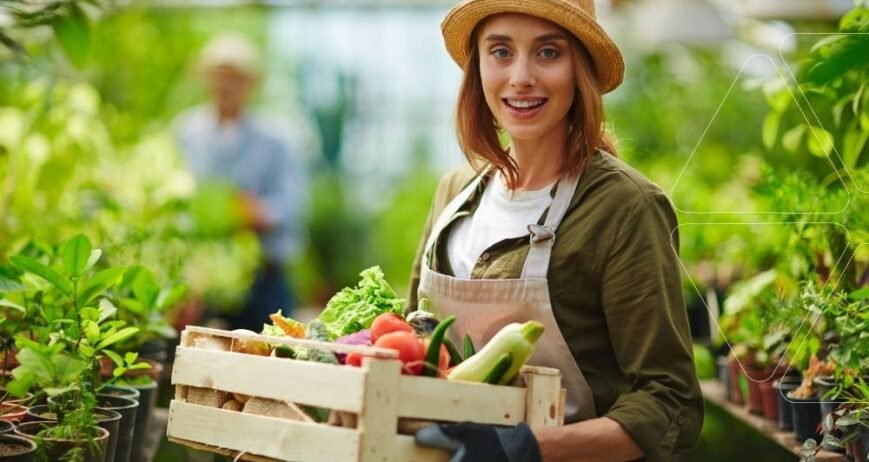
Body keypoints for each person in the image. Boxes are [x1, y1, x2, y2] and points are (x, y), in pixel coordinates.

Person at [410, 1, 704, 461]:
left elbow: (669, 400)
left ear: (579, 69)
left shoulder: (623, 208)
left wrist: (529, 448)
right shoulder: (454, 194)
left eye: (548, 53)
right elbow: (415, 348)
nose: (521, 76)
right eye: (501, 52)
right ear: (478, 68)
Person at [175, 34, 307, 331]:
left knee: (265, 357)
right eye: (219, 77)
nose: (226, 86)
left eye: (236, 78)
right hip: (201, 277)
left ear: (251, 84)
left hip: (263, 277)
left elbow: (292, 205)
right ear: (206, 81)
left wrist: (255, 212)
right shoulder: (187, 133)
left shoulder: (275, 140)